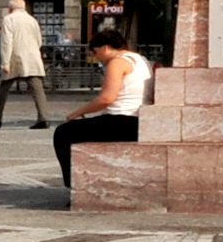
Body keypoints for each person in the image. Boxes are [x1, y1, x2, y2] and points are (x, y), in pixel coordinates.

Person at [54, 25, 153, 189]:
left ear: (106, 48)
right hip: (139, 120)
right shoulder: (141, 60)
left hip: (121, 121)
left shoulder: (117, 63)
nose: (96, 56)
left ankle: (74, 184)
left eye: (95, 51)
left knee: (63, 133)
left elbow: (106, 98)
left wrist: (77, 113)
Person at [0, 0, 50, 128]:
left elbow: (6, 42)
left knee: (4, 87)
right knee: (37, 89)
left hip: (15, 57)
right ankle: (43, 117)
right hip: (33, 57)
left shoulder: (9, 19)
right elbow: (39, 40)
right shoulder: (32, 20)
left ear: (10, 8)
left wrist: (5, 62)